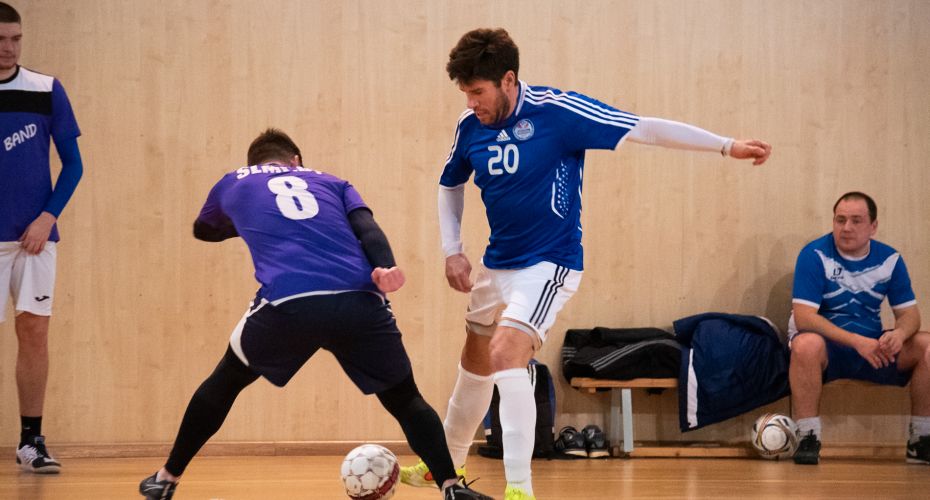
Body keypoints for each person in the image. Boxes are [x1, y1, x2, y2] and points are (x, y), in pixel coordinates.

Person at [400, 28, 772, 500]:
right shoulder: (470, 124)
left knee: (506, 353)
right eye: (466, 94)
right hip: (497, 263)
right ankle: (446, 462)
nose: (472, 103)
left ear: (508, 79)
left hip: (549, 263)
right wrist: (451, 249)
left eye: (478, 91)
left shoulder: (559, 112)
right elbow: (450, 183)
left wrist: (725, 145)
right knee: (475, 355)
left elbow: (643, 128)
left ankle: (519, 489)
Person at [138, 129, 493, 500]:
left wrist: (251, 221)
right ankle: (451, 487)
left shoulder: (234, 181)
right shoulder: (334, 182)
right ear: (296, 161)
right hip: (360, 300)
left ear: (255, 163)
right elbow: (367, 228)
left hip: (290, 301)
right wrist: (385, 265)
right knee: (405, 398)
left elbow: (204, 230)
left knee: (226, 381)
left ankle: (166, 478)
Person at [0, 1, 84, 474]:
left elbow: (73, 165)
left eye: (15, 39)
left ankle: (31, 441)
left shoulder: (46, 89)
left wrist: (47, 217)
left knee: (34, 332)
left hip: (35, 240)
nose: (8, 48)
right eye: (0, 40)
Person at [788, 191, 930, 465]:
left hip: (873, 348)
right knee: (805, 344)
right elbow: (804, 318)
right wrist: (856, 341)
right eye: (840, 220)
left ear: (873, 226)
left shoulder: (890, 259)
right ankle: (807, 437)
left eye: (856, 220)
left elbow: (910, 315)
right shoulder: (814, 254)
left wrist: (899, 334)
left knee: (926, 345)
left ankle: (921, 440)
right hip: (830, 349)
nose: (846, 227)